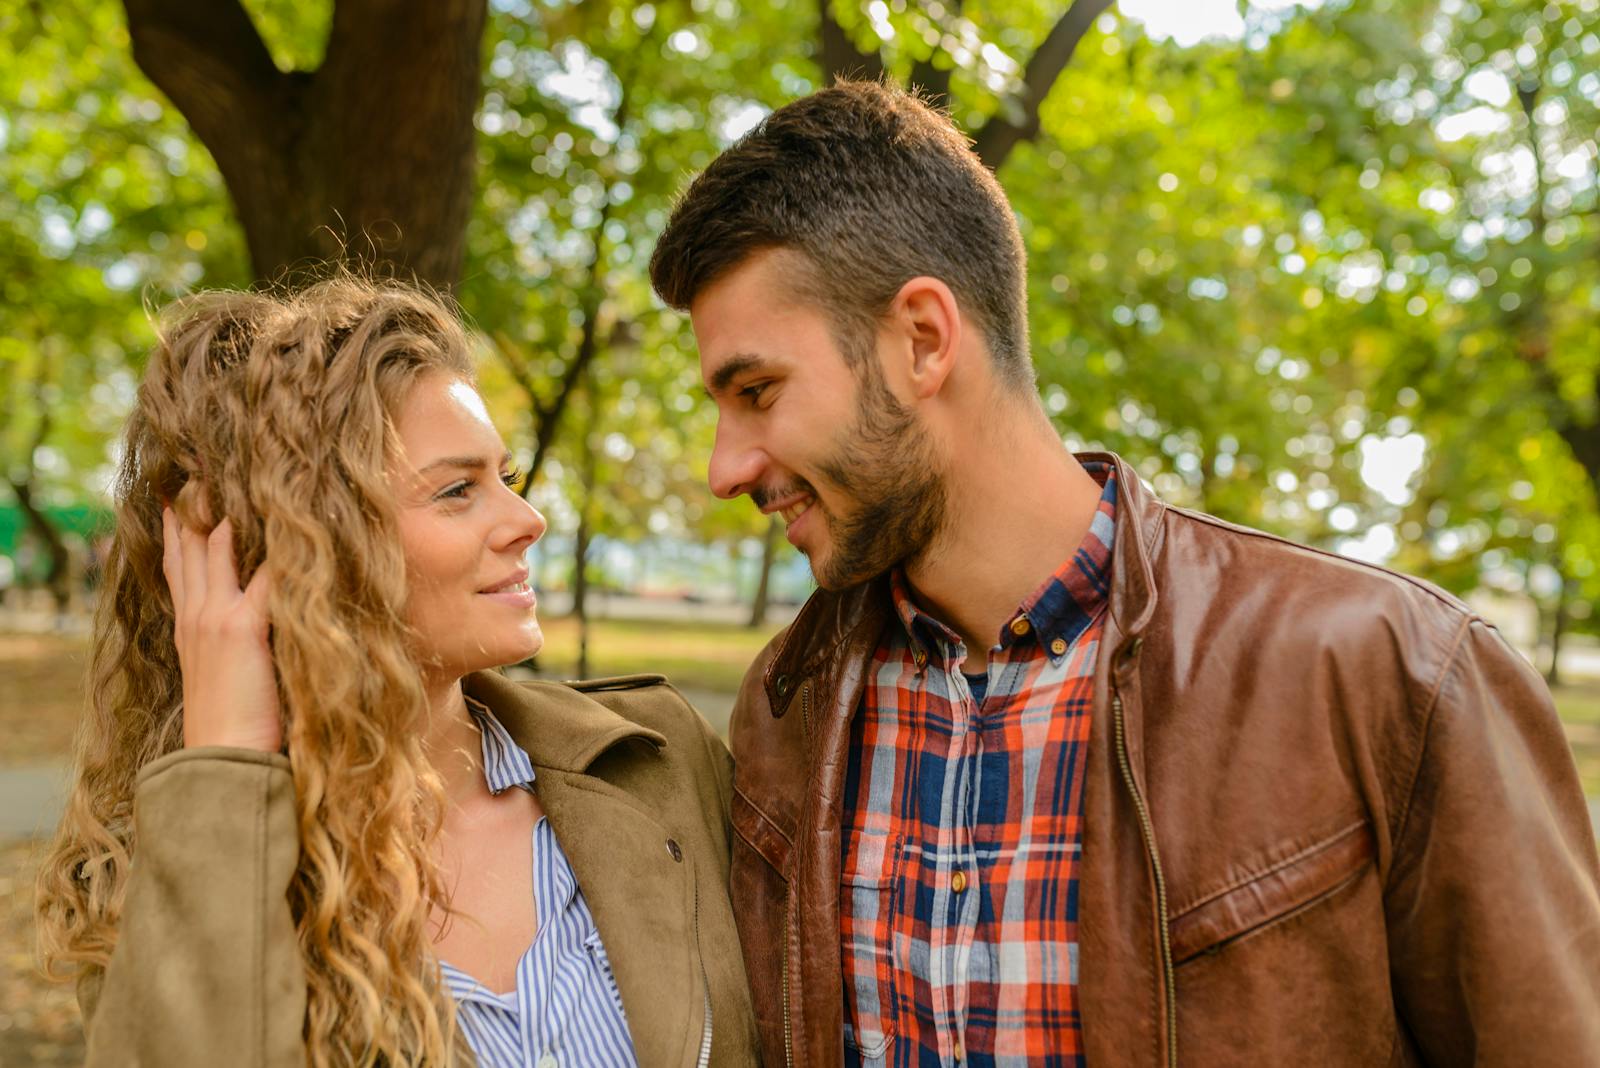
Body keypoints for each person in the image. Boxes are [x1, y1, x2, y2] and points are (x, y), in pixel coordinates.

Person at [647, 80, 1600, 1067]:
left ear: (921, 341)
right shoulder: (784, 705)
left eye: (757, 391)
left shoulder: (1390, 672)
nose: (725, 468)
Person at [36, 276, 757, 1067]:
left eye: (504, 479)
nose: (527, 520)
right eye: (457, 491)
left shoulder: (657, 761)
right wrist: (229, 755)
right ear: (304, 546)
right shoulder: (171, 867)